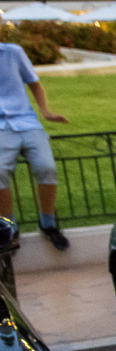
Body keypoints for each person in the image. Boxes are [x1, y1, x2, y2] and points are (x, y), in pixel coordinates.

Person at [0, 41, 68, 249]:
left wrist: (46, 112)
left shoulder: (13, 52)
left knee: (46, 167)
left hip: (27, 122)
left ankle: (47, 224)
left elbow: (34, 83)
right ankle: (8, 228)